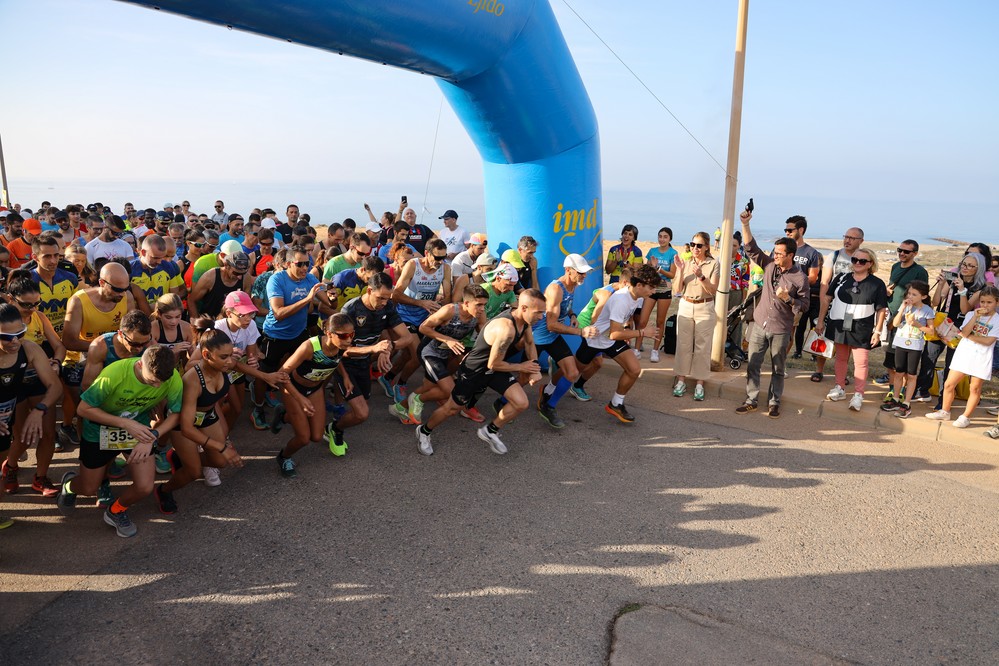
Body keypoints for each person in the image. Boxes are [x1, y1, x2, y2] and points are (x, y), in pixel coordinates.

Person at [55, 345, 183, 538]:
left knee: (145, 487)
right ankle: (68, 485)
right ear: (140, 365)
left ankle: (116, 510)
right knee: (89, 489)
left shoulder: (172, 376)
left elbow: (176, 414)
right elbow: (83, 409)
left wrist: (154, 437)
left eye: (161, 383)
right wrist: (125, 424)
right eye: (152, 381)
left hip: (138, 430)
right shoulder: (114, 373)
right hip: (99, 430)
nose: (157, 387)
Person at [416, 289, 546, 456]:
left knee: (521, 402)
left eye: (543, 312)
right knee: (452, 408)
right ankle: (424, 431)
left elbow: (529, 343)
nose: (541, 317)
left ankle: (490, 431)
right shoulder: (506, 329)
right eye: (539, 313)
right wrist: (522, 367)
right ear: (524, 308)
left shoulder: (525, 321)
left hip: (494, 369)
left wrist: (534, 367)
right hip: (474, 370)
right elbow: (494, 363)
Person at [154, 318, 245, 510]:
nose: (230, 361)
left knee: (220, 462)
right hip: (182, 423)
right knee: (193, 471)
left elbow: (238, 366)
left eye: (231, 355)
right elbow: (187, 428)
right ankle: (164, 490)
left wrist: (266, 376)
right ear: (206, 355)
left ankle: (180, 457)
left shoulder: (224, 363)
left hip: (206, 415)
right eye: (224, 357)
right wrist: (221, 447)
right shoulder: (192, 379)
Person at [734, 209, 809, 418]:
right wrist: (745, 224)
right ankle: (751, 400)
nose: (775, 256)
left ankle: (774, 402)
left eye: (779, 254)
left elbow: (804, 305)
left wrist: (789, 299)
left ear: (790, 255)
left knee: (778, 368)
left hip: (780, 329)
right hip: (759, 324)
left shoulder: (799, 279)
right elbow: (751, 248)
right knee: (753, 365)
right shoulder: (769, 266)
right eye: (774, 252)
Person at [334, 273, 414, 454]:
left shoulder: (387, 306)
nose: (384, 302)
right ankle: (334, 429)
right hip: (344, 366)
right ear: (369, 290)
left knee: (362, 405)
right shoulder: (351, 310)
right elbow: (341, 350)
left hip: (364, 364)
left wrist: (387, 347)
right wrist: (374, 349)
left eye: (388, 298)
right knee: (362, 413)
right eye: (380, 298)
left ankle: (338, 411)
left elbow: (407, 338)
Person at [0, 280, 66, 498]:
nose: (32, 309)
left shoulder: (30, 341)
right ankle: (10, 466)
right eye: (26, 305)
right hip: (14, 390)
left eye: (21, 334)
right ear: (11, 299)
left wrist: (56, 362)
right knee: (22, 438)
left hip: (36, 381)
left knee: (46, 433)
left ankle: (40, 477)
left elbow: (58, 349)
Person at [573, 265, 660, 423]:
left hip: (610, 341)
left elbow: (622, 323)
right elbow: (614, 333)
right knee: (571, 371)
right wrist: (642, 332)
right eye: (651, 288)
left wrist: (627, 328)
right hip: (595, 339)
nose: (653, 292)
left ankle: (615, 404)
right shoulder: (621, 299)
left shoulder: (638, 296)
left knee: (634, 370)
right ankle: (549, 391)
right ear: (639, 285)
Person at [272, 313, 353, 478]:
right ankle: (283, 457)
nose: (349, 339)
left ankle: (284, 416)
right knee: (303, 438)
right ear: (329, 333)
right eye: (344, 335)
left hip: (314, 389)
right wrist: (300, 399)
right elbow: (282, 374)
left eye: (352, 334)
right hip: (293, 388)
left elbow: (336, 359)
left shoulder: (340, 345)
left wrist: (345, 377)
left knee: (316, 436)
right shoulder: (310, 346)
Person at [396, 284, 489, 427]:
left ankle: (400, 408)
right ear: (466, 303)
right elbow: (423, 327)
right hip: (429, 351)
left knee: (429, 387)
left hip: (445, 354)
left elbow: (485, 337)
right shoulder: (450, 310)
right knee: (449, 391)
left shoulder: (479, 316)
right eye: (479, 305)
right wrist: (447, 339)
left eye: (484, 305)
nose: (482, 309)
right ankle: (417, 399)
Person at [253, 245, 323, 429]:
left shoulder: (309, 278)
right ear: (288, 264)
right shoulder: (276, 279)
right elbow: (278, 313)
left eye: (307, 264)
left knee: (304, 369)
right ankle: (258, 408)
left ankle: (299, 403)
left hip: (298, 334)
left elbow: (326, 299)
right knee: (265, 374)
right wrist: (307, 300)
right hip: (275, 335)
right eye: (299, 264)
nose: (304, 268)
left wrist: (331, 295)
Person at [816, 248, 888, 411]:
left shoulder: (877, 284)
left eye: (862, 261)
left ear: (870, 264)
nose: (857, 263)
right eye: (855, 260)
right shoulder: (841, 278)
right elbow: (827, 299)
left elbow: (881, 309)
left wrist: (877, 332)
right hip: (839, 323)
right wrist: (820, 321)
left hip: (862, 327)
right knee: (841, 357)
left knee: (861, 362)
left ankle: (858, 394)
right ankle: (839, 387)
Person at [532, 254, 599, 428]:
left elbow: (565, 306)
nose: (584, 276)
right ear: (568, 270)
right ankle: (502, 403)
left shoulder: (573, 284)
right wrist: (580, 331)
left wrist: (572, 315)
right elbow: (551, 325)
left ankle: (548, 403)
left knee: (571, 372)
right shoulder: (556, 289)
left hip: (553, 337)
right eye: (580, 272)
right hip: (538, 338)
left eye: (585, 273)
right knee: (525, 378)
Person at [385, 239, 452, 401]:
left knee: (409, 356)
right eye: (437, 258)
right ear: (427, 254)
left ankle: (387, 377)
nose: (440, 261)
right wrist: (420, 303)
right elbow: (396, 294)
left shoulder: (445, 268)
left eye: (444, 257)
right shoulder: (413, 265)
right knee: (416, 356)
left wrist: (439, 304)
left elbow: (448, 296)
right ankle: (401, 384)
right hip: (406, 315)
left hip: (426, 317)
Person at [919, 252, 986, 410]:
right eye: (964, 264)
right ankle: (922, 390)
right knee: (928, 357)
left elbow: (966, 308)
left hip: (959, 328)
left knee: (951, 364)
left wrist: (962, 290)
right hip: (941, 322)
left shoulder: (979, 287)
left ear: (978, 269)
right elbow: (936, 302)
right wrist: (941, 284)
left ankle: (944, 400)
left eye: (970, 266)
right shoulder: (953, 278)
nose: (965, 268)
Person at [926, 285, 999, 428]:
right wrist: (975, 318)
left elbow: (989, 341)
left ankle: (965, 417)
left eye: (989, 302)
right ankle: (944, 411)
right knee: (949, 384)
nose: (985, 305)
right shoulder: (971, 315)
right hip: (964, 354)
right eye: (982, 302)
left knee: (975, 388)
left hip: (982, 357)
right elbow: (964, 332)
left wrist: (969, 336)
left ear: (996, 303)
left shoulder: (997, 320)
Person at [672, 232, 720, 401]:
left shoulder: (714, 264)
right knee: (683, 345)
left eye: (699, 245)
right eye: (693, 245)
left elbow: (712, 290)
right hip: (685, 305)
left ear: (707, 247)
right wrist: (679, 270)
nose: (695, 248)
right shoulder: (685, 262)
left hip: (705, 307)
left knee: (702, 347)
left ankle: (699, 383)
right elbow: (677, 290)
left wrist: (700, 276)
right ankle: (681, 380)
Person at [876, 239, 929, 394]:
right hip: (892, 315)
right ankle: (893, 389)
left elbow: (921, 294)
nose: (902, 254)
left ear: (915, 254)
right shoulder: (895, 266)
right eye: (900, 250)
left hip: (908, 319)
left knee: (904, 357)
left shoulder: (920, 271)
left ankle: (904, 391)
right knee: (890, 355)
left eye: (906, 251)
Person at [812, 227, 864, 382]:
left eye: (852, 238)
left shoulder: (864, 258)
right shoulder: (834, 256)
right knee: (824, 337)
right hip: (831, 306)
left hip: (850, 310)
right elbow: (824, 283)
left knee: (845, 341)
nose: (847, 240)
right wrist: (823, 306)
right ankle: (819, 370)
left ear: (861, 241)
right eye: (846, 236)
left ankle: (842, 374)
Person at [880, 281, 934, 419]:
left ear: (923, 296)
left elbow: (931, 331)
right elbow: (896, 323)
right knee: (898, 372)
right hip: (900, 342)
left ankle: (907, 403)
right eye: (909, 293)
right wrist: (902, 309)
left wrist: (917, 325)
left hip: (915, 345)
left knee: (911, 375)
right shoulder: (905, 306)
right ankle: (896, 399)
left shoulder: (927, 310)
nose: (910, 296)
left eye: (914, 294)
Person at [81, 311, 153, 391]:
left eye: (144, 343)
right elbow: (88, 386)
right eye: (134, 344)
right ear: (120, 334)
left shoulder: (149, 345)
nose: (139, 348)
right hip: (106, 392)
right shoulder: (100, 347)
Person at [785, 216, 823, 359]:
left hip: (795, 300)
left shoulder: (810, 252)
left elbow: (813, 277)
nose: (787, 232)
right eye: (785, 230)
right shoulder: (781, 247)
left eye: (790, 230)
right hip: (776, 298)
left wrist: (794, 282)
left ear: (801, 230)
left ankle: (780, 365)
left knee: (789, 333)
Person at [644, 227, 678, 363]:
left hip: (664, 290)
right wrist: (652, 268)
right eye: (660, 236)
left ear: (670, 239)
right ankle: (637, 348)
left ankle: (655, 351)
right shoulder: (652, 251)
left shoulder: (673, 253)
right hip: (651, 289)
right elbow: (647, 270)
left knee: (660, 321)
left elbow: (672, 274)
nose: (662, 239)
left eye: (665, 237)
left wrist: (659, 269)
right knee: (643, 320)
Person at [130, 234, 185, 312]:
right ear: (143, 252)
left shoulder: (168, 267)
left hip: (162, 316)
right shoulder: (129, 270)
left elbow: (174, 297)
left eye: (162, 257)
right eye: (155, 258)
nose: (159, 262)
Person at [189, 251, 251, 319]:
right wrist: (196, 323)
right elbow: (191, 300)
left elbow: (246, 304)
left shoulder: (246, 278)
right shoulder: (210, 277)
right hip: (210, 321)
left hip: (232, 322)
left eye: (243, 273)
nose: (239, 277)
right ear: (226, 266)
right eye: (236, 273)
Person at [150, 293, 194, 367]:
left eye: (177, 317)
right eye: (168, 317)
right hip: (156, 368)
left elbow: (193, 358)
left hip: (178, 368)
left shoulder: (187, 328)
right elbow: (151, 357)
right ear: (159, 314)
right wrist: (173, 351)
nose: (174, 322)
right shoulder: (153, 328)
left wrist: (192, 352)